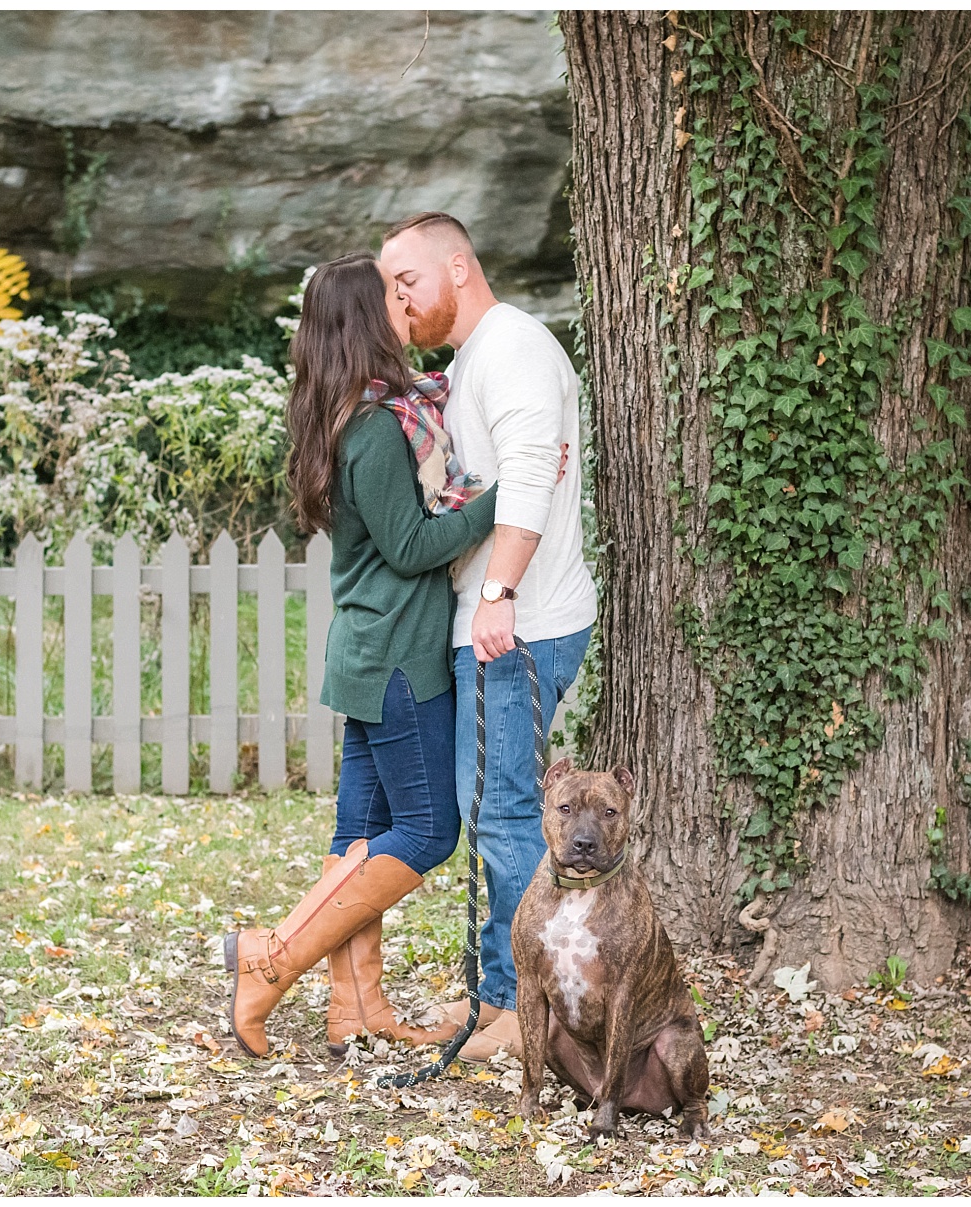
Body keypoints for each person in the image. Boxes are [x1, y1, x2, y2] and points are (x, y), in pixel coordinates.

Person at [223, 250, 496, 1059]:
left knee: (363, 831)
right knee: (427, 829)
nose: (403, 299)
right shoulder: (375, 429)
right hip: (399, 658)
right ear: (365, 322)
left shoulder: (354, 414)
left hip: (370, 650)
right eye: (390, 294)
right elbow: (413, 546)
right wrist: (505, 500)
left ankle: (358, 1007)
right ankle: (267, 959)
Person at [379, 212, 598, 1062]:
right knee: (495, 809)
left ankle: (516, 1013)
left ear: (459, 268)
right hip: (503, 622)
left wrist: (498, 590)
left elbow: (535, 471)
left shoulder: (510, 346)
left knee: (504, 813)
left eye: (408, 282)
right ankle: (510, 997)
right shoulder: (477, 357)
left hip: (520, 626)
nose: (399, 300)